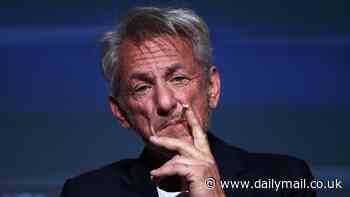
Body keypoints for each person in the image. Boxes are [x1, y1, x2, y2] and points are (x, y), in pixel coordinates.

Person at [60, 6, 316, 197]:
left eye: (179, 79)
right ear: (120, 112)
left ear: (212, 88)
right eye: (142, 87)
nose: (165, 102)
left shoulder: (286, 180)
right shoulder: (87, 192)